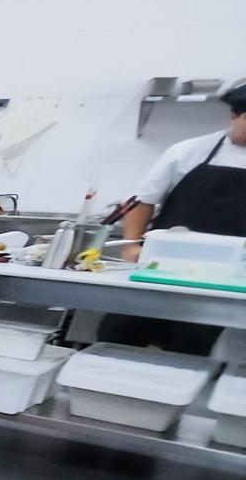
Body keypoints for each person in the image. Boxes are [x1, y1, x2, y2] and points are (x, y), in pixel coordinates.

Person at [98, 79, 246, 354]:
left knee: (194, 349)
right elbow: (142, 201)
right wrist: (131, 245)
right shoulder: (189, 151)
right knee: (119, 336)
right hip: (161, 269)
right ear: (233, 116)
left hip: (226, 281)